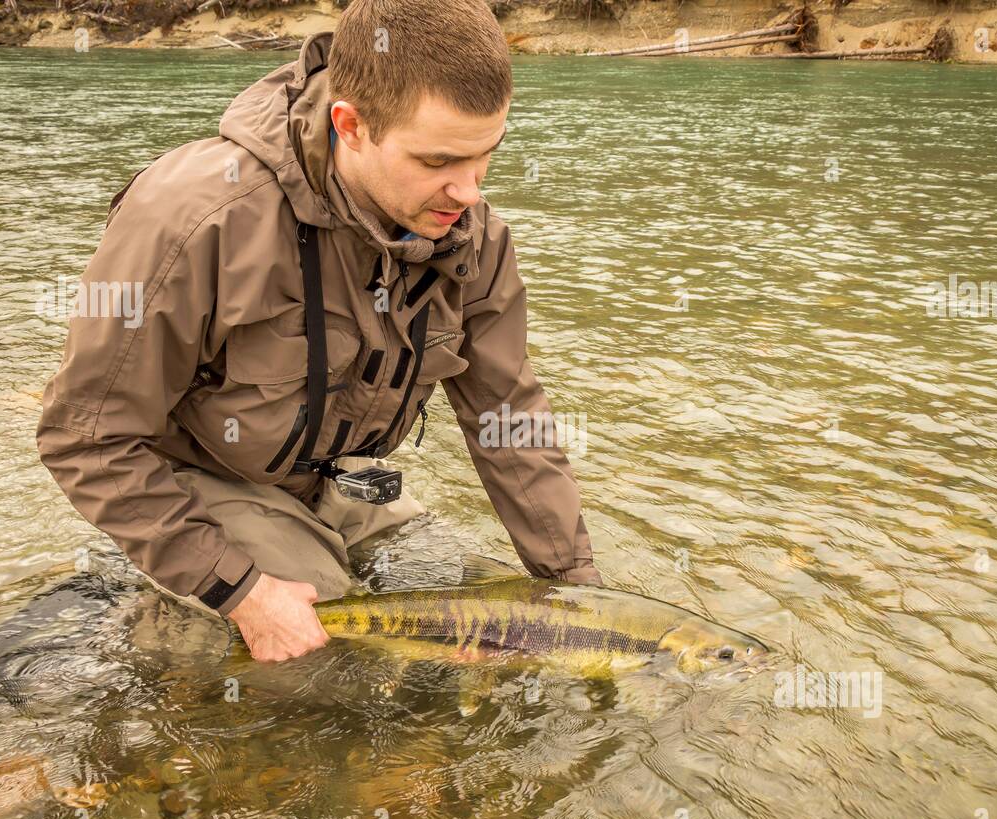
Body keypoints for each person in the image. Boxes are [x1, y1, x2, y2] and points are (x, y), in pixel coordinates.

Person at [36, 0, 603, 663]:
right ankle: (141, 621)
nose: (469, 192)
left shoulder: (471, 238)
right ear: (350, 125)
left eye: (486, 157)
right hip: (195, 477)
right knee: (339, 665)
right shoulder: (194, 218)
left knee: (490, 628)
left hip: (337, 484)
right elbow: (85, 438)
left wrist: (579, 595)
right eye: (440, 160)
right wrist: (239, 589)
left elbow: (509, 423)